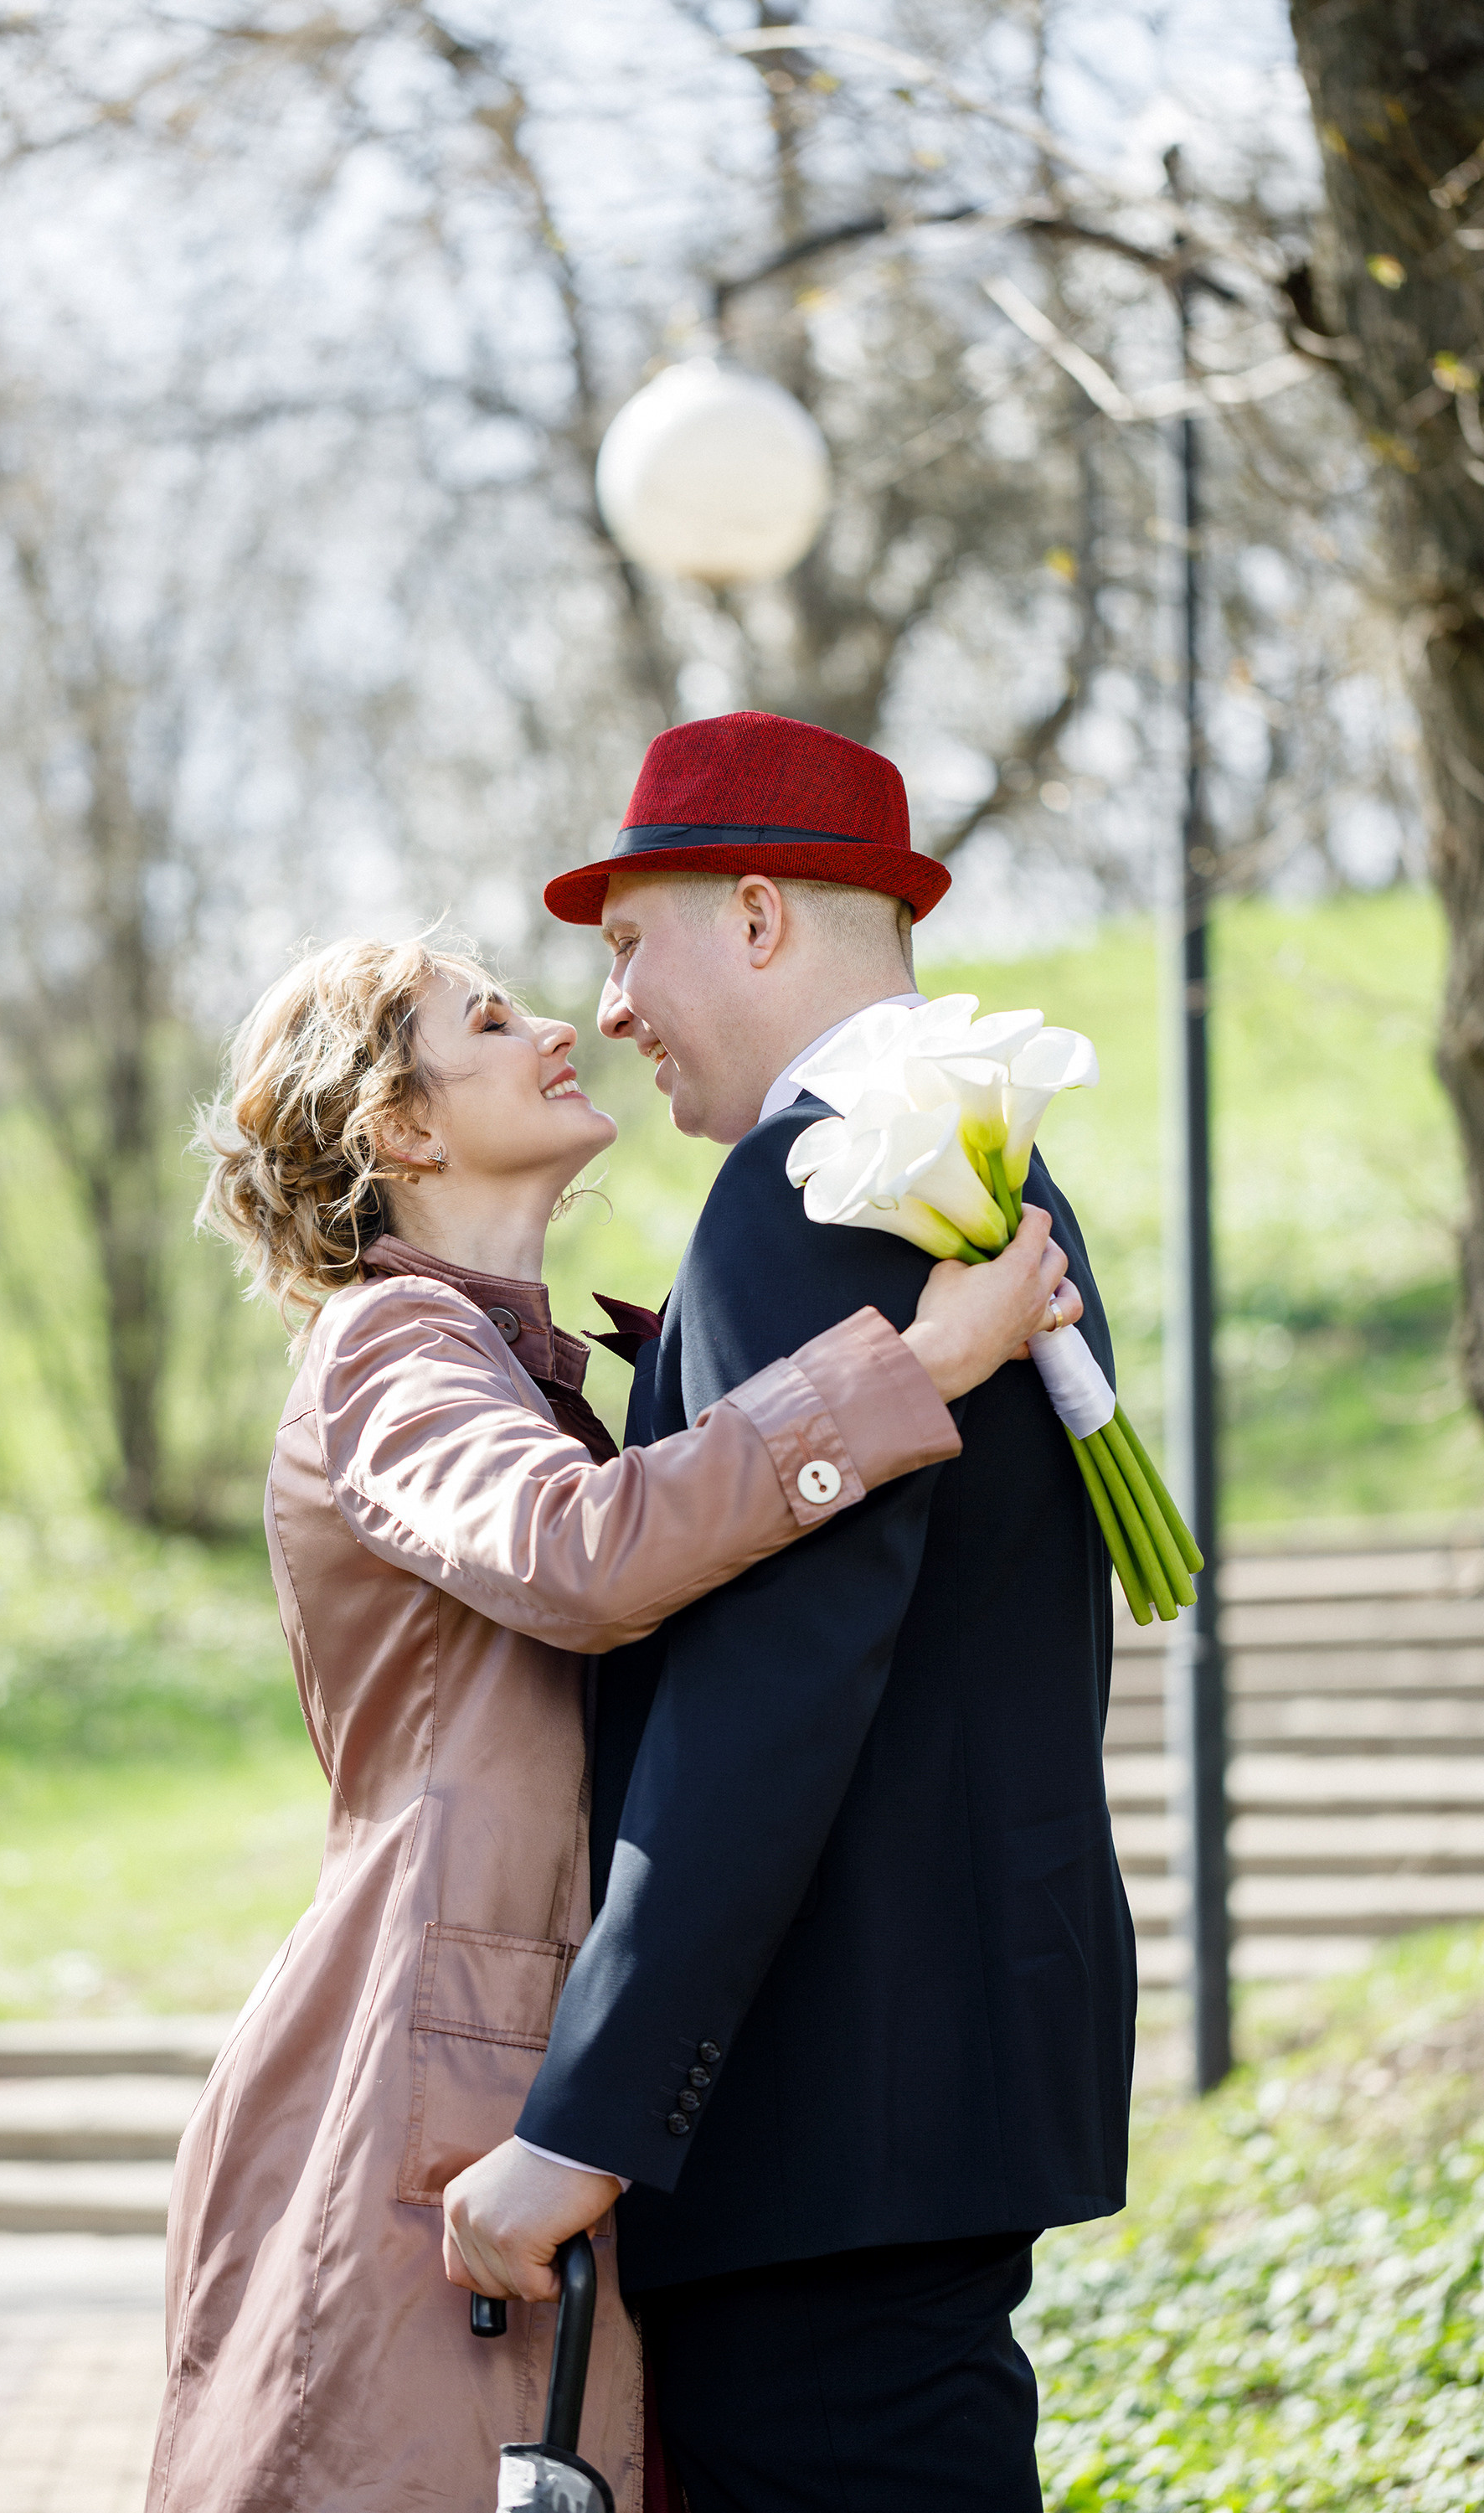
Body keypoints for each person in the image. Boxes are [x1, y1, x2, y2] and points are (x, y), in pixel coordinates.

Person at [144, 928, 1081, 2513]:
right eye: (492, 1019)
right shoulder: (386, 1349)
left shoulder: (512, 1365)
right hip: (432, 2050)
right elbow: (578, 1554)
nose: (563, 1024)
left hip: (520, 2027)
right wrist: (916, 1364)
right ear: (403, 1128)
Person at [442, 712, 1139, 2512]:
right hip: (940, 2081)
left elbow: (770, 1697)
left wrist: (585, 2119)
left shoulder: (810, 1188)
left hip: (824, 2116)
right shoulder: (980, 1176)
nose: (609, 1007)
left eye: (628, 942)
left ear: (757, 916)